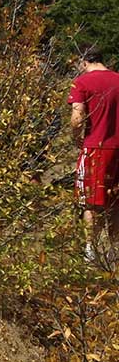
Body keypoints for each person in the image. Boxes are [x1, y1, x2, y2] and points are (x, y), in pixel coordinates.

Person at [68, 46, 119, 262]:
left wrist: (75, 136)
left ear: (84, 62)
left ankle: (91, 249)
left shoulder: (82, 82)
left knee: (91, 200)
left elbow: (77, 116)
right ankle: (115, 249)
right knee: (115, 199)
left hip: (96, 146)